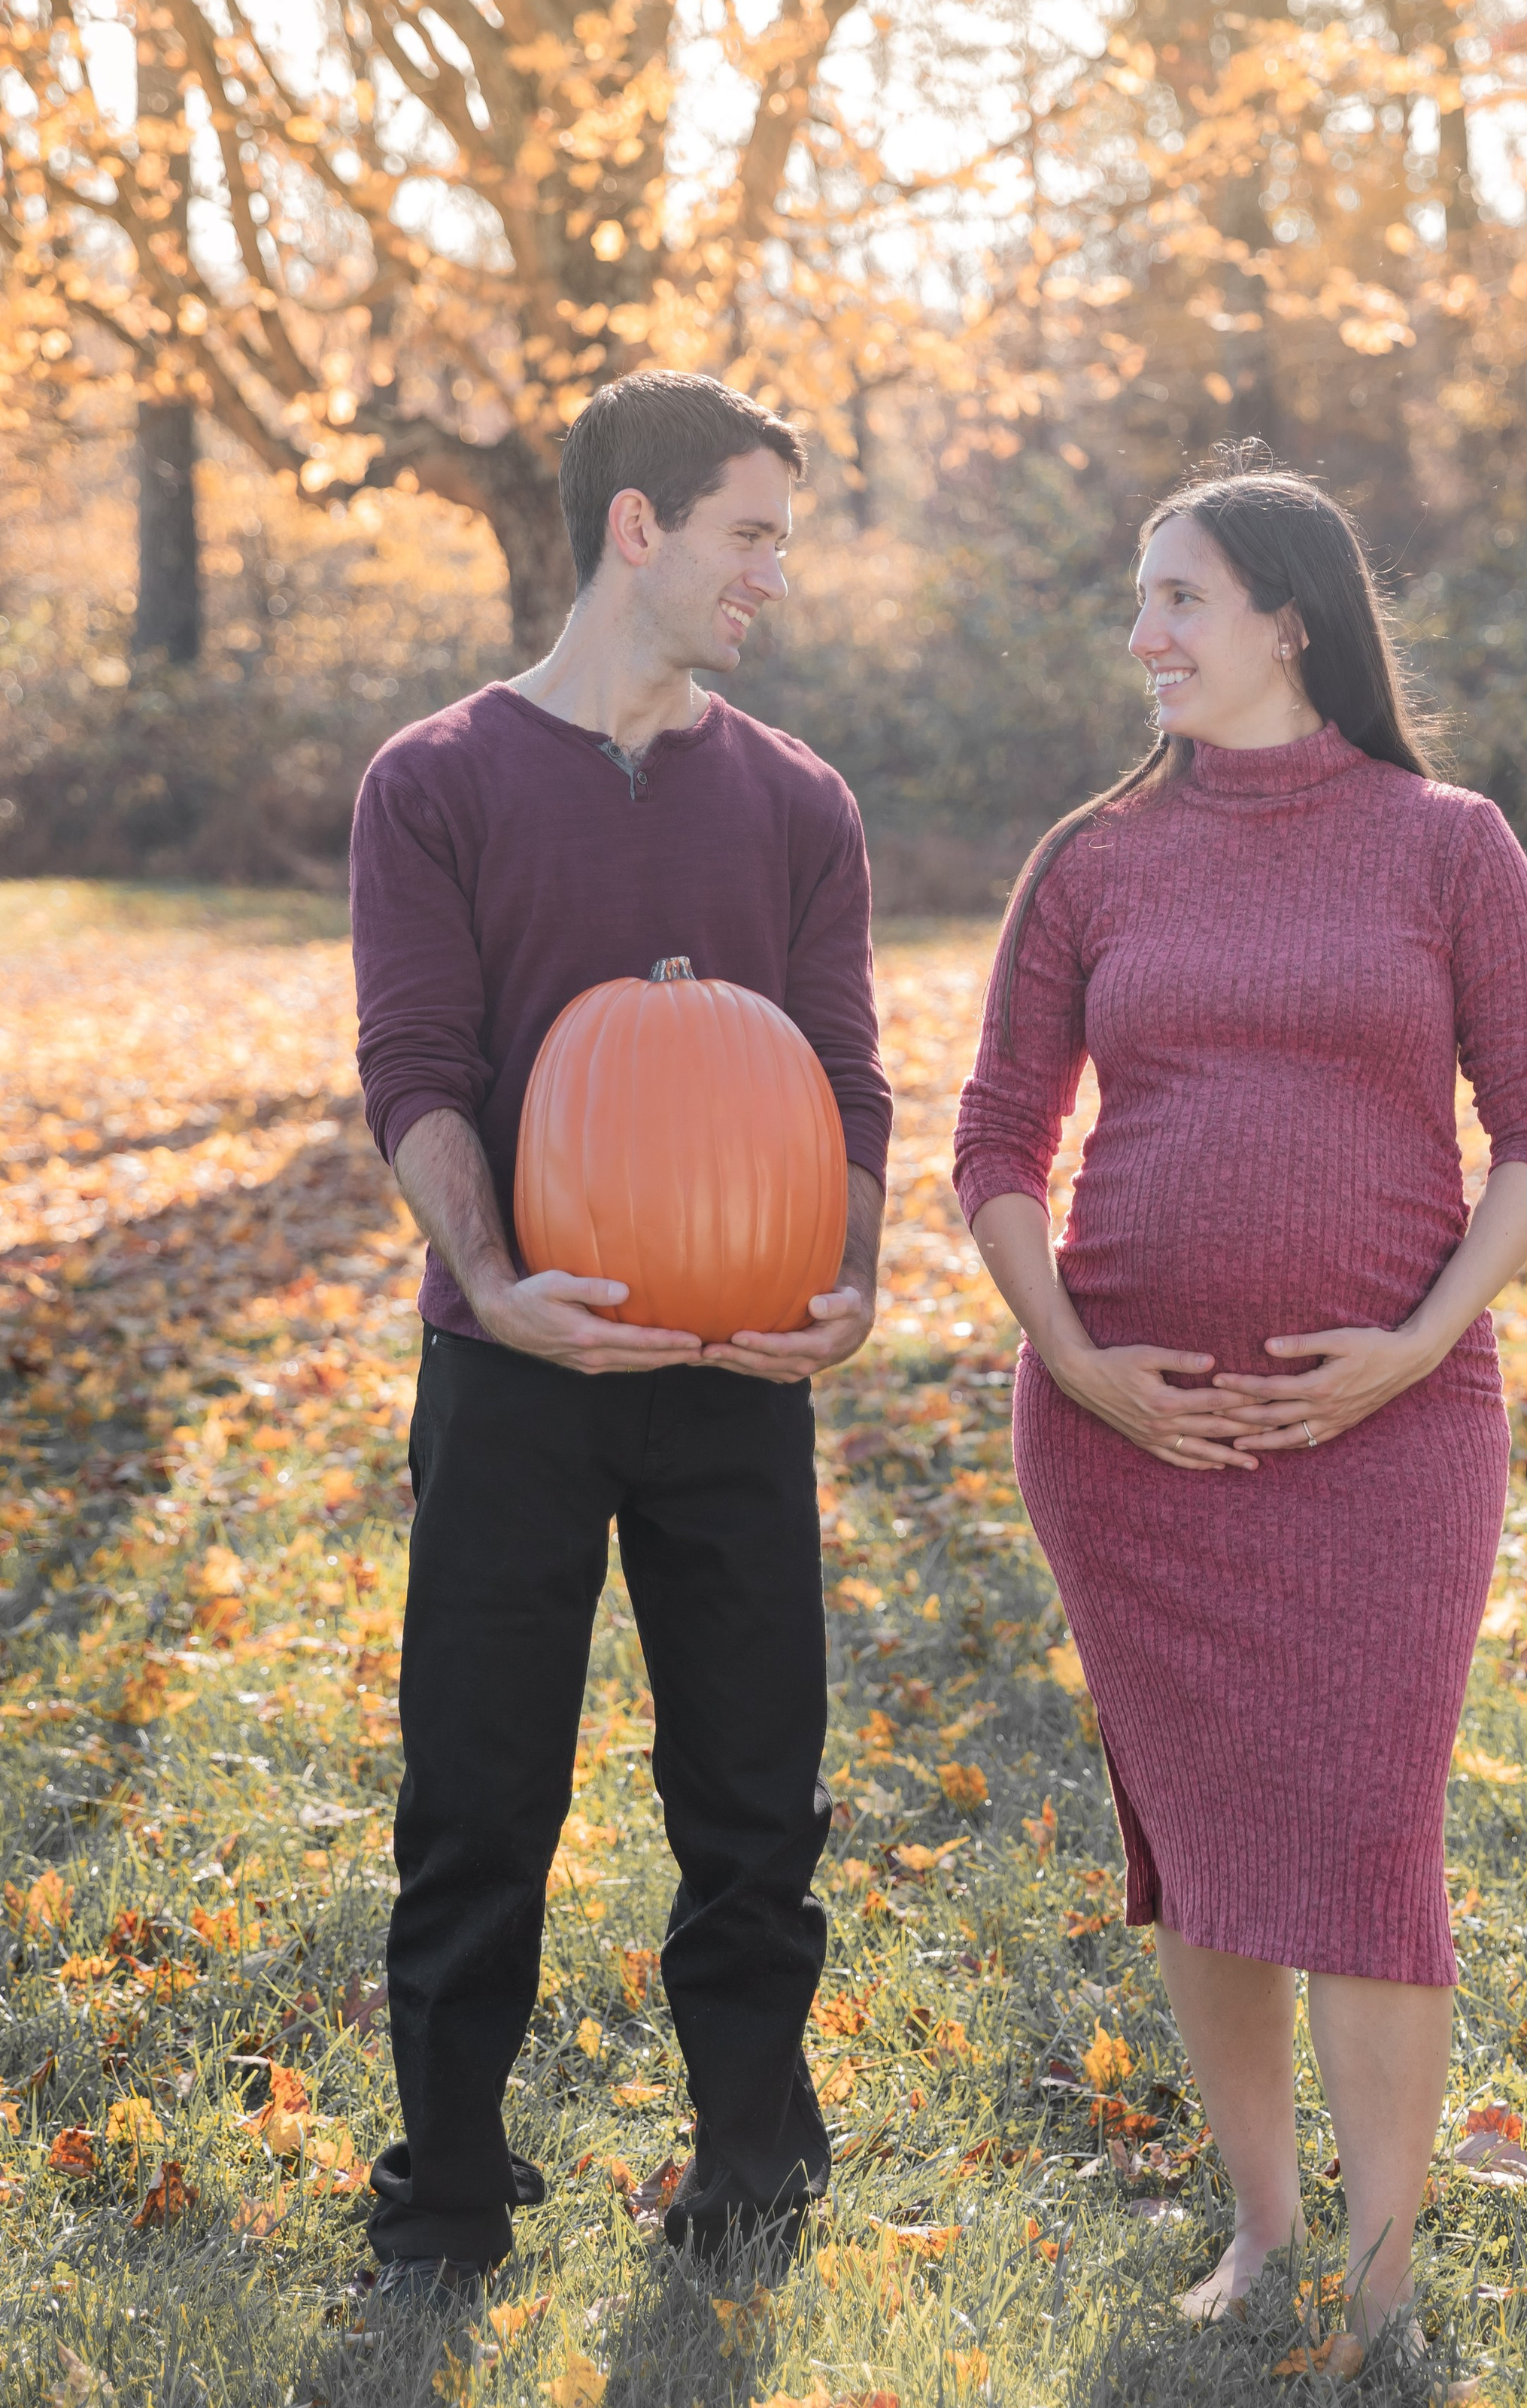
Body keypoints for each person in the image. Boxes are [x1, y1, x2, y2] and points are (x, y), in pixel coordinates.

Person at [952, 459, 1527, 2347]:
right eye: (1138, 600)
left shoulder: (1447, 843)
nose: (1141, 634)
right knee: (1207, 1838)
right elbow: (996, 1135)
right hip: (1130, 1446)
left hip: (1391, 1431)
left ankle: (1386, 2284)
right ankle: (1258, 2231)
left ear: (1287, 619)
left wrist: (1415, 1339)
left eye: (1180, 598)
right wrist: (1072, 1357)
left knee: (1369, 1828)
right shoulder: (1089, 857)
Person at [348, 369, 891, 2301]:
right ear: (639, 527)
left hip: (738, 1373)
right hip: (514, 1372)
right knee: (478, 1789)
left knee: (753, 1794)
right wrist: (491, 1281)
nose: (770, 572)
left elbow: (843, 1070)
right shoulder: (439, 779)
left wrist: (851, 1272)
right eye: (748, 531)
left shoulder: (798, 800)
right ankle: (447, 2191)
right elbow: (411, 1062)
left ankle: (752, 2162)